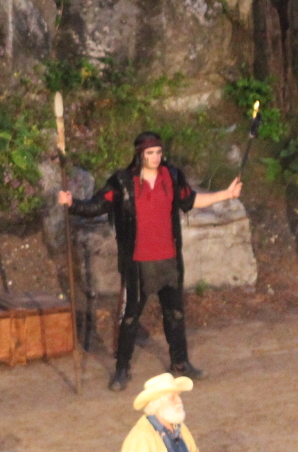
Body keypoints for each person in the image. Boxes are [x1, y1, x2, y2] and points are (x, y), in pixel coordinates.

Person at [58, 132, 242, 392]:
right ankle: (122, 369)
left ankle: (180, 362)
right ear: (140, 154)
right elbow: (97, 205)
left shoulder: (172, 176)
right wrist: (72, 203)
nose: (155, 157)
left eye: (158, 152)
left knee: (175, 314)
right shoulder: (122, 182)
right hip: (138, 263)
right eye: (150, 153)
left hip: (169, 260)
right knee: (130, 317)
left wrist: (227, 194)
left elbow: (191, 200)